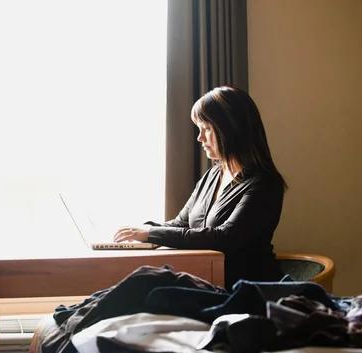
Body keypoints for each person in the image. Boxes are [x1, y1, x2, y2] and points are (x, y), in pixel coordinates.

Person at [113, 85, 287, 290]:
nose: (200, 138)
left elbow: (225, 238)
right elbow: (182, 224)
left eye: (206, 129)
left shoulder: (264, 183)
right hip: (208, 282)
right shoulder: (213, 175)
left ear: (230, 129)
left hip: (244, 290)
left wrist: (151, 233)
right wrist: (140, 232)